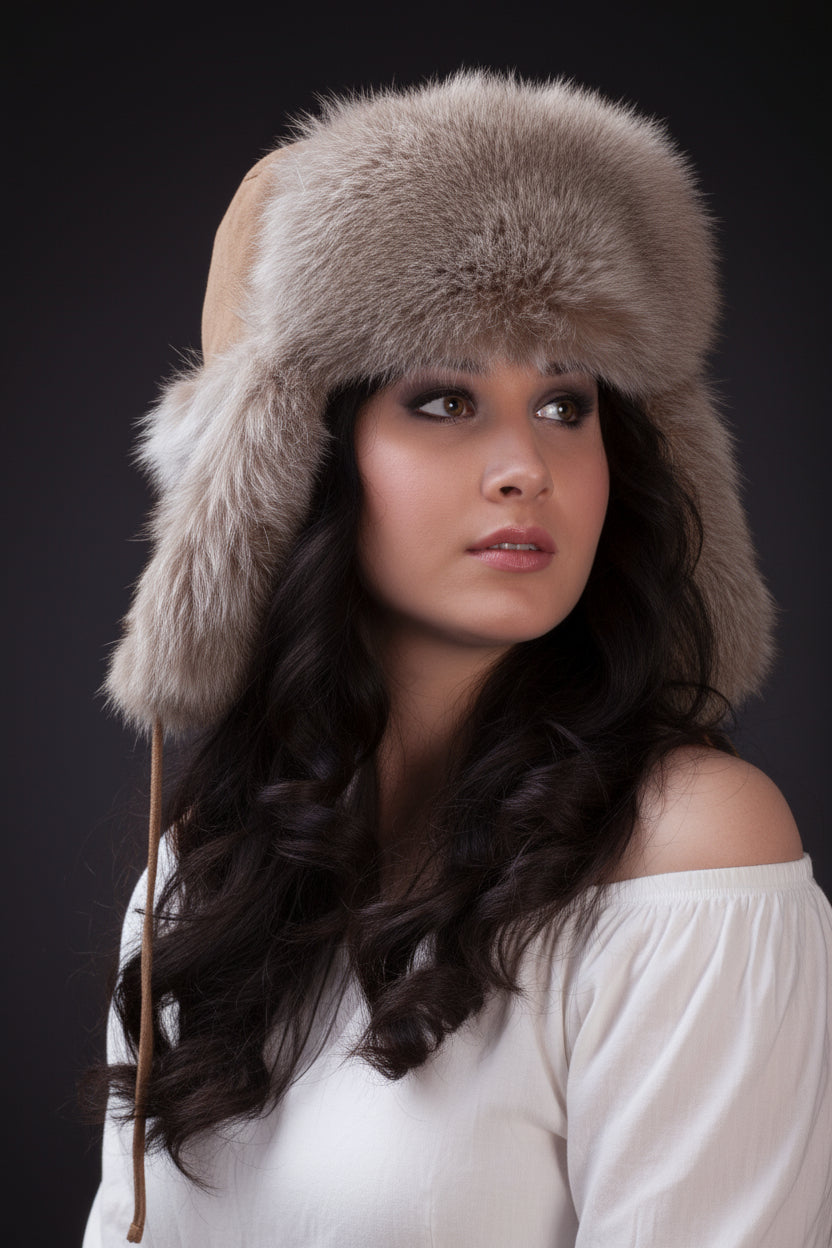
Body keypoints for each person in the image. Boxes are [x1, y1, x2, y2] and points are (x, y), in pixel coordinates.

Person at [82, 69, 832, 1246]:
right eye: (444, 401)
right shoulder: (201, 871)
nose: (524, 463)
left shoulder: (685, 850)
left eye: (566, 405)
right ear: (298, 466)